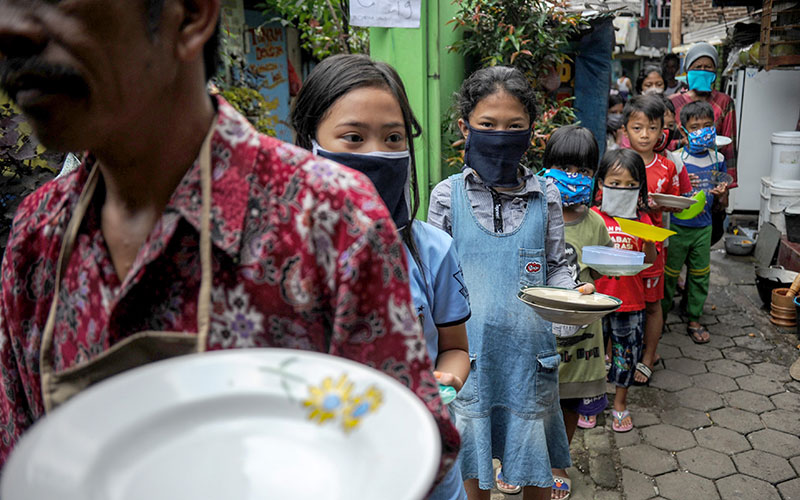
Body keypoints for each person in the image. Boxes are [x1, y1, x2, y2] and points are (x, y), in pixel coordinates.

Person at [0, 0, 461, 481]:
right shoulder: (39, 235)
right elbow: (21, 458)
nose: (9, 27)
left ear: (192, 15)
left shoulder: (331, 222)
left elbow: (406, 450)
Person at [290, 53, 471, 500]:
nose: (377, 154)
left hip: (425, 465)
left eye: (393, 138)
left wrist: (443, 383)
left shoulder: (433, 251)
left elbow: (454, 350)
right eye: (353, 137)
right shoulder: (276, 255)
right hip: (320, 471)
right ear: (309, 142)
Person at [427, 65, 594, 500]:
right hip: (471, 362)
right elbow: (436, 281)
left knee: (534, 470)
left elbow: (556, 266)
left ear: (531, 132)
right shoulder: (446, 197)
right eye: (487, 125)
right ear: (465, 127)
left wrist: (570, 297)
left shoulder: (548, 196)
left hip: (530, 361)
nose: (500, 134)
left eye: (513, 126)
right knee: (473, 470)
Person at [541, 126, 611, 500]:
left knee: (568, 401)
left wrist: (588, 287)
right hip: (536, 330)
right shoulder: (533, 213)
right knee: (528, 397)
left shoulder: (595, 223)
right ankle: (514, 459)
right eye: (564, 167)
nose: (574, 177)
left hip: (580, 333)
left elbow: (597, 270)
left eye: (583, 170)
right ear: (545, 168)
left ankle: (558, 463)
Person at [622, 95, 688, 385]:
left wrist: (660, 205)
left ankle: (648, 357)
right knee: (617, 300)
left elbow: (676, 202)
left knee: (652, 303)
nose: (645, 134)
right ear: (625, 129)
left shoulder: (667, 167)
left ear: (663, 130)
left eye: (652, 128)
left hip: (652, 248)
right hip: (620, 245)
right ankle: (616, 354)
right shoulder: (617, 163)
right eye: (637, 128)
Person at [591, 149, 657, 432]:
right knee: (592, 355)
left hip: (630, 303)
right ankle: (590, 402)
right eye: (615, 183)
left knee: (625, 355)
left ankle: (620, 403)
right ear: (600, 184)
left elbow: (651, 262)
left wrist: (652, 241)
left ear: (640, 188)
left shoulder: (643, 222)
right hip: (593, 302)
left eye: (631, 185)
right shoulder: (592, 217)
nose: (622, 189)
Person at [663, 102, 729, 344]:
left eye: (708, 126)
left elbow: (723, 201)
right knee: (669, 275)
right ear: (684, 131)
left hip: (704, 227)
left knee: (700, 274)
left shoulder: (718, 158)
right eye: (696, 127)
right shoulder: (676, 158)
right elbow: (669, 194)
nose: (703, 131)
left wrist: (721, 195)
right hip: (678, 227)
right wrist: (681, 184)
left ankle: (693, 317)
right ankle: (659, 317)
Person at [670, 42, 737, 246]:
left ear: (715, 72)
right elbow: (664, 141)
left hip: (712, 175)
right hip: (682, 175)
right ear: (687, 71)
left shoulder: (724, 102)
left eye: (708, 67)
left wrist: (728, 187)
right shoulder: (673, 102)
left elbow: (729, 145)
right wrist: (684, 142)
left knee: (709, 234)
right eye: (697, 67)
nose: (702, 70)